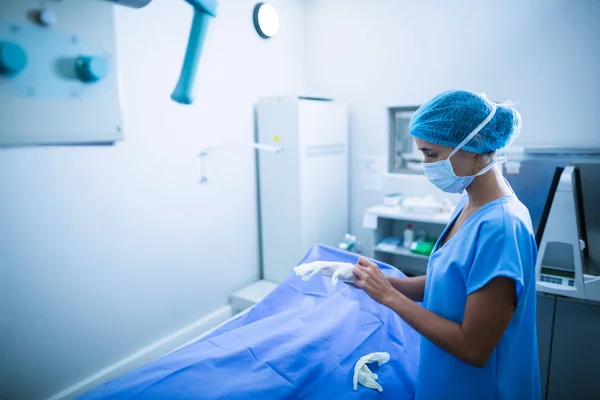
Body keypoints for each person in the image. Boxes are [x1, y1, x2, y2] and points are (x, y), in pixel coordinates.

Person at [349, 89, 540, 399]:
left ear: (475, 143)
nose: (426, 164)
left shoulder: (502, 228)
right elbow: (448, 281)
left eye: (432, 154)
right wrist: (387, 283)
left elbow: (473, 347)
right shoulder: (469, 202)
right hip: (447, 379)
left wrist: (389, 297)